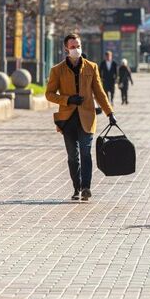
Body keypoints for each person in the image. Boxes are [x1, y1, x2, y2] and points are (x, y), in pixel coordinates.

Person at [46, 33, 116, 202]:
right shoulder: (57, 70)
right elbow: (49, 94)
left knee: (86, 153)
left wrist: (110, 113)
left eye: (78, 46)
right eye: (72, 47)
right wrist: (68, 99)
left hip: (87, 117)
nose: (76, 49)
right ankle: (76, 187)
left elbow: (99, 92)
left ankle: (86, 187)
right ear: (66, 48)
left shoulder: (91, 67)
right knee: (72, 156)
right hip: (67, 119)